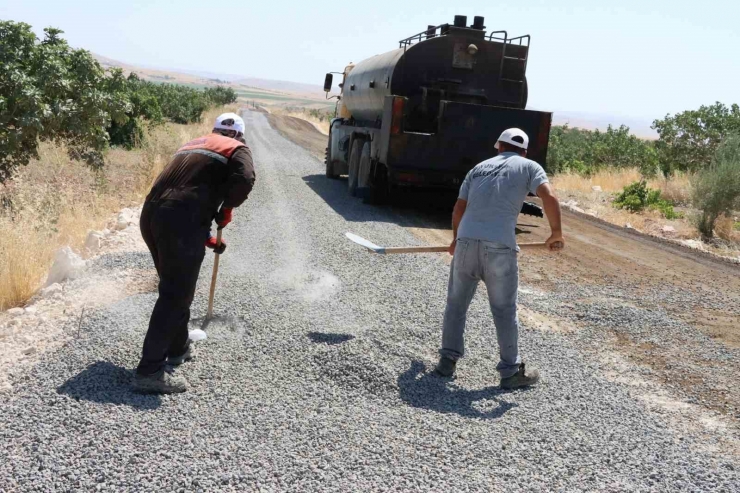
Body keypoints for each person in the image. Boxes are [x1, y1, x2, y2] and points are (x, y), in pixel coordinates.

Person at [134, 112, 256, 394]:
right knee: (176, 293)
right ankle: (149, 371)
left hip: (152, 215)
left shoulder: (193, 144)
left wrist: (207, 238)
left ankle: (177, 348)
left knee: (176, 286)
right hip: (179, 219)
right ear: (239, 134)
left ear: (214, 130)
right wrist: (225, 210)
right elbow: (245, 179)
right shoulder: (237, 148)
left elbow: (182, 192)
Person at [435, 128, 564, 389]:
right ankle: (510, 373)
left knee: (456, 304)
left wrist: (456, 239)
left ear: (499, 147)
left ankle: (447, 361)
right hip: (499, 249)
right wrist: (556, 233)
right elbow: (548, 196)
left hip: (466, 244)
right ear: (524, 151)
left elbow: (459, 207)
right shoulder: (529, 166)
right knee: (504, 310)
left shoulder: (478, 168)